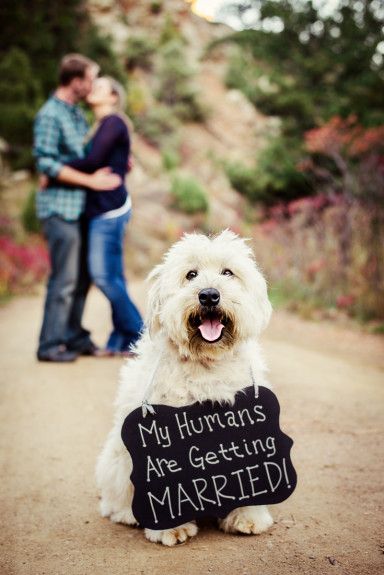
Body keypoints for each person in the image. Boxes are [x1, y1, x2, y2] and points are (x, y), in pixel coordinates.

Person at [34, 54, 122, 362]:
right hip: (59, 208)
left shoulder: (76, 115)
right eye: (91, 79)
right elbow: (45, 161)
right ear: (76, 82)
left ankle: (72, 337)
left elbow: (89, 154)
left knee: (82, 278)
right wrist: (90, 181)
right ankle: (50, 345)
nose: (94, 84)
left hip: (80, 209)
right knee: (64, 279)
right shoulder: (50, 115)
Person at [63, 76, 144, 356]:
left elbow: (94, 161)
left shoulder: (114, 122)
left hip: (109, 208)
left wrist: (54, 168)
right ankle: (121, 340)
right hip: (102, 208)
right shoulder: (99, 126)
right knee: (115, 277)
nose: (93, 89)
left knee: (103, 276)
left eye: (100, 87)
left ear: (112, 96)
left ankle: (140, 334)